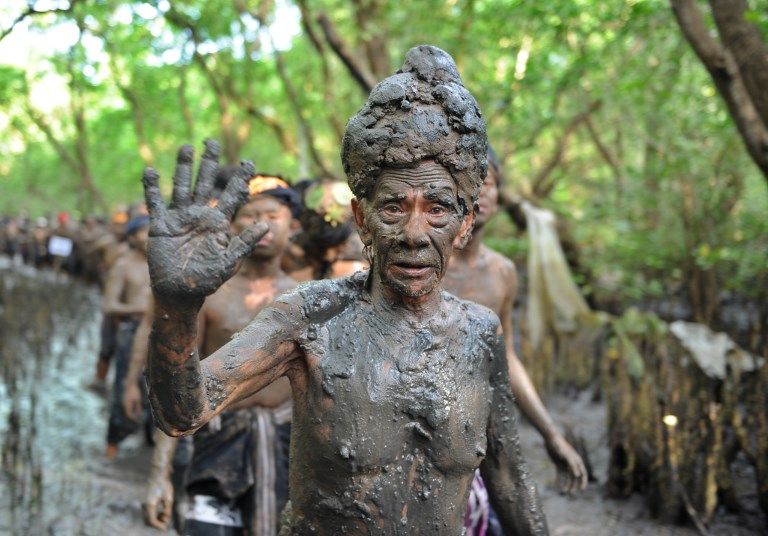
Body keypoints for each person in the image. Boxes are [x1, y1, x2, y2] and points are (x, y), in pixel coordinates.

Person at [143, 46, 548, 535]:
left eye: (437, 210)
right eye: (394, 208)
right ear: (362, 219)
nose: (415, 233)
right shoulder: (311, 318)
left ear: (463, 225)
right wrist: (177, 307)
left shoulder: (481, 334)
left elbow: (509, 481)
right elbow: (182, 411)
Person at [126, 170, 301, 535]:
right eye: (251, 216)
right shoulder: (206, 293)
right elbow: (177, 388)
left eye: (272, 216)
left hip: (289, 451)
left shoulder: (310, 297)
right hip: (215, 446)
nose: (262, 225)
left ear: (293, 225)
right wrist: (159, 475)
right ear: (233, 224)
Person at [443, 148, 587, 534]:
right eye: (471, 185)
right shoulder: (423, 266)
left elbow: (505, 358)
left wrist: (551, 434)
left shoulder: (502, 272)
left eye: (488, 184)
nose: (481, 194)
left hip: (483, 428)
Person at [102, 214, 152, 459]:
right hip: (132, 331)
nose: (150, 235)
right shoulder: (123, 266)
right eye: (144, 231)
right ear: (132, 237)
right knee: (125, 384)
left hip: (159, 334)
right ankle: (112, 447)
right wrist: (141, 310)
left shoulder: (163, 265)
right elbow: (109, 305)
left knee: (159, 390)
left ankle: (151, 442)